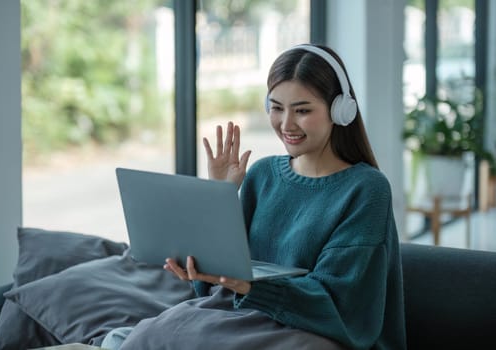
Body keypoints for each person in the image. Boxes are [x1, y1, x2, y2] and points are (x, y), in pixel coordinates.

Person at [102, 44, 407, 350]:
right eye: (276, 108)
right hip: (247, 320)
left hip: (314, 333)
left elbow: (341, 303)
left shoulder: (366, 190)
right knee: (137, 335)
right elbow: (213, 288)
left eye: (302, 110)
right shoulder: (262, 175)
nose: (286, 124)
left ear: (340, 110)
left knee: (155, 337)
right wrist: (218, 198)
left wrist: (249, 287)